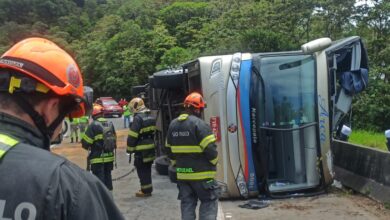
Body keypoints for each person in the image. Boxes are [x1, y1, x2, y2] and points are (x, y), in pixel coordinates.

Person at [0, 37, 124, 219]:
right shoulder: (68, 187)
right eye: (65, 116)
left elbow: (86, 142)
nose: (58, 131)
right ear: (50, 108)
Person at [166, 92, 219, 220]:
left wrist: (176, 164)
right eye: (200, 109)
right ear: (196, 109)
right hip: (203, 176)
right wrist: (214, 162)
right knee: (209, 202)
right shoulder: (200, 125)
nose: (201, 111)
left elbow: (169, 150)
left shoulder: (173, 125)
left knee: (187, 204)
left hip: (183, 175)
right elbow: (211, 151)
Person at [127, 97, 156, 197]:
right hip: (150, 148)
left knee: (142, 170)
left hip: (141, 150)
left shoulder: (138, 118)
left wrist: (129, 149)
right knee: (147, 169)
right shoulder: (150, 116)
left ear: (136, 107)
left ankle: (145, 191)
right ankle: (148, 188)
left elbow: (132, 136)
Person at [82, 108, 116, 191]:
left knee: (99, 182)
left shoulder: (93, 125)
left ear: (93, 115)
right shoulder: (110, 124)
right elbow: (114, 141)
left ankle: (102, 201)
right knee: (108, 177)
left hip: (98, 158)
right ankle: (109, 198)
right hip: (110, 158)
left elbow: (86, 143)